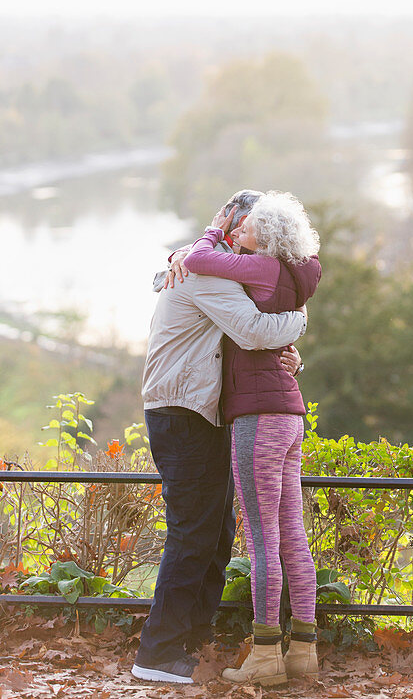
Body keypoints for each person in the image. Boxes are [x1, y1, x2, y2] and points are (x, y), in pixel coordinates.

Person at [132, 190, 307, 685]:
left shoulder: (220, 267)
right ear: (231, 226)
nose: (260, 239)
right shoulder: (208, 271)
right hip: (182, 410)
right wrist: (302, 322)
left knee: (217, 531)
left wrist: (292, 356)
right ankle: (158, 652)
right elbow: (251, 331)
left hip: (206, 412)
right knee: (192, 530)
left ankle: (192, 641)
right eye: (252, 226)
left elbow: (253, 345)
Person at [182, 190, 321, 685]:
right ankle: (303, 649)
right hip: (290, 412)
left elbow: (199, 259)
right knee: (293, 535)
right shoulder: (305, 270)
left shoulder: (261, 269)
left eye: (250, 225)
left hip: (257, 417)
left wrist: (213, 227)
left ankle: (265, 656)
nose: (240, 230)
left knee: (262, 540)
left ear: (269, 233)